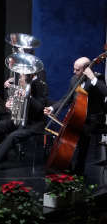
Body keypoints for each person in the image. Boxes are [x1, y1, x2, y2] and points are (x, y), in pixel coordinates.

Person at [44, 56, 107, 185]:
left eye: (77, 70)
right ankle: (67, 168)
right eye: (74, 69)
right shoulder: (74, 79)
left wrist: (92, 77)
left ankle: (78, 172)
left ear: (86, 69)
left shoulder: (97, 78)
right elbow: (66, 98)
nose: (74, 72)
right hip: (78, 117)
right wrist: (52, 108)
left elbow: (104, 92)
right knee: (68, 137)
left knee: (82, 137)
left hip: (92, 119)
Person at [0, 72, 49, 167]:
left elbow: (40, 108)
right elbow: (17, 102)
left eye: (22, 75)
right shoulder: (22, 84)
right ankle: (2, 156)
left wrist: (29, 96)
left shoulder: (41, 85)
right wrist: (10, 103)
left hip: (34, 124)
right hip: (20, 119)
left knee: (13, 136)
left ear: (29, 75)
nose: (20, 77)